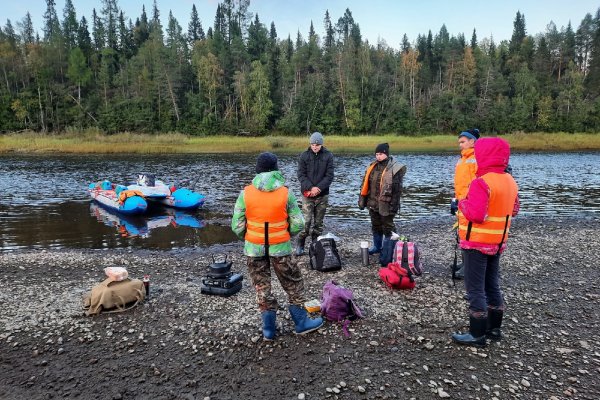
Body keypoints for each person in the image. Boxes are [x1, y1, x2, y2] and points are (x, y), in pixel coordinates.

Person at [231, 152, 323, 341]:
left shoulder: (245, 193)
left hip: (254, 248)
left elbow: (237, 226)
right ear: (276, 169)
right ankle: (301, 323)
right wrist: (284, 235)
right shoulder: (285, 193)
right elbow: (299, 223)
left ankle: (269, 331)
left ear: (258, 170)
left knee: (262, 287)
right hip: (280, 248)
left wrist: (249, 237)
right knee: (293, 283)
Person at [451, 137, 520, 347]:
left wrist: (461, 204)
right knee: (492, 284)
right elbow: (515, 210)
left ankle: (477, 334)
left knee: (475, 289)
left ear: (484, 155)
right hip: (497, 242)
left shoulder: (482, 182)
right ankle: (494, 329)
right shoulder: (510, 180)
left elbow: (477, 214)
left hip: (477, 243)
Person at [358, 143, 407, 259]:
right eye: (376, 154)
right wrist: (362, 201)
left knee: (388, 227)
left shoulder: (395, 168)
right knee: (375, 226)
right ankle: (377, 247)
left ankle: (390, 248)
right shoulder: (372, 167)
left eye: (380, 154)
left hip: (387, 204)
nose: (378, 156)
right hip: (372, 203)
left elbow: (397, 191)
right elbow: (364, 185)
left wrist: (393, 206)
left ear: (386, 154)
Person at [295, 131, 335, 256]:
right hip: (307, 194)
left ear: (321, 144)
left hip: (322, 195)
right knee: (306, 222)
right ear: (310, 144)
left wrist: (318, 188)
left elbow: (329, 176)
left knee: (318, 223)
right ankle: (300, 244)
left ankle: (314, 245)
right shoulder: (304, 156)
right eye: (313, 144)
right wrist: (311, 187)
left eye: (317, 144)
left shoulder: (328, 156)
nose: (315, 146)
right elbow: (301, 175)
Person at [451, 128, 480, 279]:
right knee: (462, 234)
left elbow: (478, 182)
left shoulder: (478, 158)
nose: (460, 145)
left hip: (471, 202)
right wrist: (455, 200)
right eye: (459, 142)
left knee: (470, 235)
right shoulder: (462, 159)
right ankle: (464, 264)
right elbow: (459, 183)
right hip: (462, 202)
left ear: (472, 141)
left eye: (463, 142)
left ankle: (469, 267)